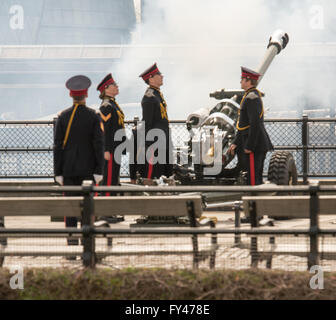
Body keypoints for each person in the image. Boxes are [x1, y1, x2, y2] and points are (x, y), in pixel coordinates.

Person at [54, 75, 104, 250]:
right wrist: (99, 170)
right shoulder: (93, 116)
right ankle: (87, 243)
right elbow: (99, 144)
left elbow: (57, 146)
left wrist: (57, 172)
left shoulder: (63, 116)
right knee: (87, 208)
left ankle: (71, 242)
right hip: (88, 170)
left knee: (70, 209)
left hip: (68, 170)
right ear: (86, 94)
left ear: (70, 95)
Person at [229, 67, 273, 185]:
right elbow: (243, 125)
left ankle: (255, 202)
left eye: (242, 79)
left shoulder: (252, 98)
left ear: (248, 81)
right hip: (247, 141)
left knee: (253, 180)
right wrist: (235, 142)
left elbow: (255, 124)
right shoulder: (249, 96)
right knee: (249, 177)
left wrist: (250, 146)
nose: (240, 82)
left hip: (254, 145)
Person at [139, 63, 173, 180]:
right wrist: (148, 144)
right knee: (154, 173)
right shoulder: (149, 97)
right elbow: (147, 122)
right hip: (155, 141)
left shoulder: (157, 94)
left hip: (163, 139)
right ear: (151, 79)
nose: (162, 76)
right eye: (158, 74)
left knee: (166, 170)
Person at [97, 73, 126, 195]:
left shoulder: (112, 104)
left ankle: (111, 208)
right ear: (106, 88)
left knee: (113, 178)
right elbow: (104, 130)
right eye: (114, 84)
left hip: (116, 147)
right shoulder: (106, 106)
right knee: (109, 179)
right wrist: (106, 149)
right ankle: (106, 209)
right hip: (111, 149)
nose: (117, 86)